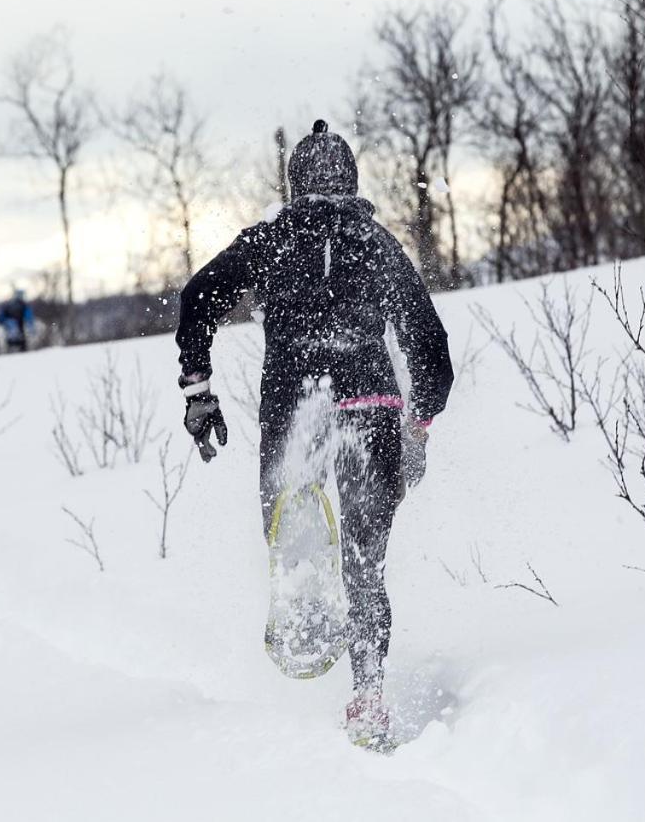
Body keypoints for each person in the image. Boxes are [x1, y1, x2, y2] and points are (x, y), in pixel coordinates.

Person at [174, 119, 454, 747]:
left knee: (289, 525)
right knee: (367, 563)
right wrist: (419, 425)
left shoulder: (269, 241)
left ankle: (307, 590)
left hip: (297, 412)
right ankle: (368, 695)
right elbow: (430, 347)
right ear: (351, 181)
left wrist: (199, 393)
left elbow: (197, 298)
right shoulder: (376, 242)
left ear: (294, 183)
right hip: (375, 406)